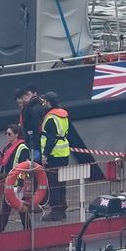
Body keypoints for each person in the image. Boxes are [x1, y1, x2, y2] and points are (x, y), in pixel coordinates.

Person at [0, 124, 32, 233]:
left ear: (16, 135)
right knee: (13, 209)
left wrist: (20, 184)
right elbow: (6, 165)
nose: (7, 136)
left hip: (17, 184)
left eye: (9, 134)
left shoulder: (23, 148)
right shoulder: (7, 147)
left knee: (13, 209)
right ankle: (27, 230)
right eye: (6, 133)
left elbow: (25, 167)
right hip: (9, 183)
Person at [40, 92, 70, 221]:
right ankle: (62, 208)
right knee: (61, 182)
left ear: (49, 102)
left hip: (54, 155)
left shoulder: (51, 118)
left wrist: (45, 155)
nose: (43, 103)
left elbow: (50, 139)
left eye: (44, 101)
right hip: (64, 153)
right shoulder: (63, 115)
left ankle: (56, 210)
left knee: (53, 183)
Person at [15, 84, 49, 156]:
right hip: (33, 141)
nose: (24, 98)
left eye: (27, 95)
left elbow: (35, 127)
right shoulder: (29, 108)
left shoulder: (33, 109)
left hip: (35, 143)